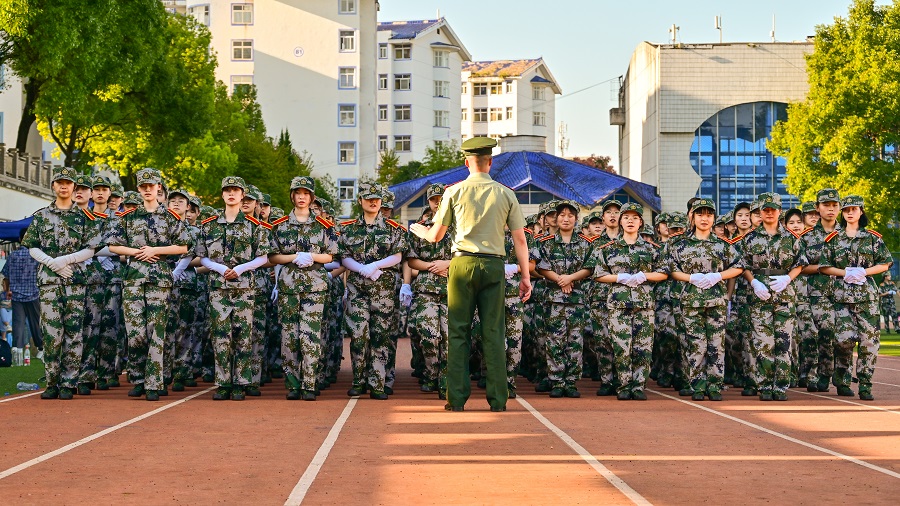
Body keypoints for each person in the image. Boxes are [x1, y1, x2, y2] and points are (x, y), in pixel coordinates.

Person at [410, 137, 531, 412]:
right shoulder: (506, 193)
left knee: (458, 331)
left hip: (462, 264)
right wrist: (525, 276)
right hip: (494, 266)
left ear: (466, 163)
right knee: (494, 332)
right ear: (490, 162)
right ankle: (498, 400)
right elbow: (520, 240)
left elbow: (435, 236)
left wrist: (422, 231)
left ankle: (456, 399)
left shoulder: (453, 192)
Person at [107, 168, 191, 401]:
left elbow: (184, 246)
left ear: (158, 188)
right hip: (133, 279)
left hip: (159, 280)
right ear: (138, 188)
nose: (147, 189)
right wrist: (136, 252)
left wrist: (156, 250)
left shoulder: (170, 217)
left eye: (151, 186)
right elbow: (113, 245)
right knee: (135, 333)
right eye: (143, 186)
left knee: (156, 332)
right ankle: (138, 379)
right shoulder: (128, 217)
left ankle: (153, 382)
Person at [23, 167, 102, 400]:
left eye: (68, 183)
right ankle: (52, 382)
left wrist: (65, 261)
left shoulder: (85, 217)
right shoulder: (41, 216)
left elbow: (91, 249)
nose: (64, 186)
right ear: (53, 186)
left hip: (74, 280)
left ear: (74, 187)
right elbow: (32, 246)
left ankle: (69, 382)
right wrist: (52, 263)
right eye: (60, 183)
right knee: (51, 334)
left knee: (74, 332)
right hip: (49, 281)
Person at [195, 176, 271, 401]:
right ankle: (223, 383)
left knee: (243, 335)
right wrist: (220, 269)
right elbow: (202, 257)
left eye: (235, 190)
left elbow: (263, 257)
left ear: (242, 195)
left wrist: (240, 269)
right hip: (219, 288)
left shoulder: (254, 225)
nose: (231, 194)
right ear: (222, 194)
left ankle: (241, 383)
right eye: (227, 190)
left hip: (244, 288)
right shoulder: (209, 225)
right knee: (220, 336)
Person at [667, 199, 744, 401]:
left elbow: (738, 266)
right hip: (691, 301)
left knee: (716, 344)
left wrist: (718, 276)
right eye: (700, 214)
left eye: (709, 215)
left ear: (714, 218)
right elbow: (672, 270)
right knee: (696, 344)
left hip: (716, 301)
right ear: (692, 217)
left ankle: (714, 385)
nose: (704, 218)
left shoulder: (722, 245)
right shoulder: (680, 245)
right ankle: (698, 386)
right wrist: (691, 277)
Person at [268, 176, 338, 400]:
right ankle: (293, 384)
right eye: (298, 193)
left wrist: (312, 256)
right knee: (289, 337)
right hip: (289, 286)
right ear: (292, 196)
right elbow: (272, 256)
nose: (301, 197)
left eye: (306, 193)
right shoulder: (279, 226)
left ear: (312, 197)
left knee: (310, 336)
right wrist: (294, 257)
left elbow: (330, 255)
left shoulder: (324, 226)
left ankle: (309, 383)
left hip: (315, 286)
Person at [339, 182, 408, 400]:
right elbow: (343, 256)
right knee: (358, 334)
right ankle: (359, 380)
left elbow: (398, 256)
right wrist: (362, 269)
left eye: (376, 199)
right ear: (360, 201)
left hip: (384, 291)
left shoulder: (393, 228)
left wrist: (376, 265)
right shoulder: (348, 228)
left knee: (381, 335)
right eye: (368, 198)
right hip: (358, 289)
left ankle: (378, 383)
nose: (373, 202)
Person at [819, 195, 891, 400]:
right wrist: (846, 273)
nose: (850, 213)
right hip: (842, 297)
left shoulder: (872, 238)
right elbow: (824, 266)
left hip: (867, 298)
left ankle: (865, 384)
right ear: (843, 213)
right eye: (847, 210)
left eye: (854, 209)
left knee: (869, 343)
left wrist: (864, 272)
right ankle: (842, 378)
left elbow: (885, 263)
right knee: (843, 340)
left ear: (861, 211)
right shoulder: (834, 238)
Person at [594, 203, 667, 400]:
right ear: (620, 221)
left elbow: (663, 273)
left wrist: (645, 276)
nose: (630, 221)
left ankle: (638, 386)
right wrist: (620, 278)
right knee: (621, 346)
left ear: (641, 222)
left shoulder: (652, 248)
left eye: (635, 218)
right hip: (618, 305)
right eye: (626, 217)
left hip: (644, 304)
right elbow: (599, 274)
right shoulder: (607, 248)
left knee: (643, 347)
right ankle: (624, 385)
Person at [740, 192, 807, 401]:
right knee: (763, 342)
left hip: (784, 294)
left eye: (773, 209)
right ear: (760, 212)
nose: (769, 213)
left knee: (783, 342)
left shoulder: (791, 238)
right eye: (765, 210)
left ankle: (780, 386)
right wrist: (753, 282)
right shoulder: (750, 238)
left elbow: (800, 263)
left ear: (780, 211)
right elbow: (742, 265)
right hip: (759, 295)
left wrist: (787, 278)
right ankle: (765, 385)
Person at [533, 200, 596, 398]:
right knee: (554, 340)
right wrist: (560, 280)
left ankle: (571, 382)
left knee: (575, 340)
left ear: (576, 219)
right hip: (553, 300)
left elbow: (590, 267)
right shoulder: (546, 243)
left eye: (570, 215)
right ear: (556, 218)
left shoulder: (586, 243)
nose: (565, 219)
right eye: (561, 215)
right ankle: (557, 381)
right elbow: (541, 266)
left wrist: (570, 278)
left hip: (576, 299)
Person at [405, 183, 454, 396]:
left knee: (450, 337)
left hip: (452, 289)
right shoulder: (418, 228)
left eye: (441, 199)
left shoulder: (459, 227)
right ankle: (431, 374)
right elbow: (411, 260)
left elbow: (467, 254)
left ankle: (446, 380)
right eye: (434, 199)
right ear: (429, 202)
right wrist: (431, 266)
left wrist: (448, 264)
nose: (438, 203)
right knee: (428, 335)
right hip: (426, 290)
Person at [800, 189, 841, 393]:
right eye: (826, 205)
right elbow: (800, 266)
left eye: (834, 205)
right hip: (818, 293)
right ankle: (822, 374)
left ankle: (841, 378)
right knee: (824, 332)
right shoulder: (807, 237)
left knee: (844, 337)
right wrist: (823, 268)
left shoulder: (848, 234)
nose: (830, 209)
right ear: (818, 208)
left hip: (846, 292)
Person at [2, 231, 43, 362]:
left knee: (18, 324)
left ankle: (17, 349)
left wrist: (7, 290)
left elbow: (6, 277)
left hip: (16, 296)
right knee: (36, 323)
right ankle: (41, 348)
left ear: (20, 239)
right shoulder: (37, 256)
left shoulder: (12, 255)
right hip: (33, 294)